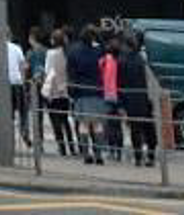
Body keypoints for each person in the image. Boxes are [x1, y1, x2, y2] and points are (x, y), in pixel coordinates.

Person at [66, 25, 106, 164]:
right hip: (97, 90)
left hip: (80, 91)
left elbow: (70, 73)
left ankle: (86, 154)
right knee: (97, 124)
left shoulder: (73, 51)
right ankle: (99, 154)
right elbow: (105, 52)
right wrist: (98, 36)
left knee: (83, 124)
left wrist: (71, 91)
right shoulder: (98, 51)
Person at [118, 33, 156, 167]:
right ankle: (151, 156)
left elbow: (120, 83)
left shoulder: (122, 61)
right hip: (144, 97)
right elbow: (149, 79)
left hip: (130, 99)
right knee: (149, 128)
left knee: (135, 130)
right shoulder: (141, 59)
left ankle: (138, 157)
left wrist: (121, 103)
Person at [42, 28, 74, 157]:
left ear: (53, 40)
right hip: (64, 90)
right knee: (65, 120)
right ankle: (72, 147)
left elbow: (49, 72)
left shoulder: (51, 54)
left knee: (55, 120)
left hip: (54, 90)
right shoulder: (66, 52)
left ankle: (62, 148)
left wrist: (47, 91)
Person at [100, 38, 123, 162]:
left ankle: (111, 150)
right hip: (118, 96)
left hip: (106, 96)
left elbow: (100, 74)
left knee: (108, 125)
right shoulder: (120, 61)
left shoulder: (104, 60)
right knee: (117, 125)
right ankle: (119, 151)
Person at [27, 27, 48, 149]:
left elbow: (26, 68)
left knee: (36, 115)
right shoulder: (46, 51)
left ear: (32, 38)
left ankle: (38, 141)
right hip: (45, 85)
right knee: (43, 114)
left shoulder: (30, 53)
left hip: (34, 86)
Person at [6, 31, 29, 145]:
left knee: (8, 112)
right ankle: (24, 130)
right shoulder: (17, 48)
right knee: (23, 110)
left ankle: (10, 137)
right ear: (10, 36)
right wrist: (23, 82)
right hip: (17, 83)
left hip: (5, 85)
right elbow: (23, 66)